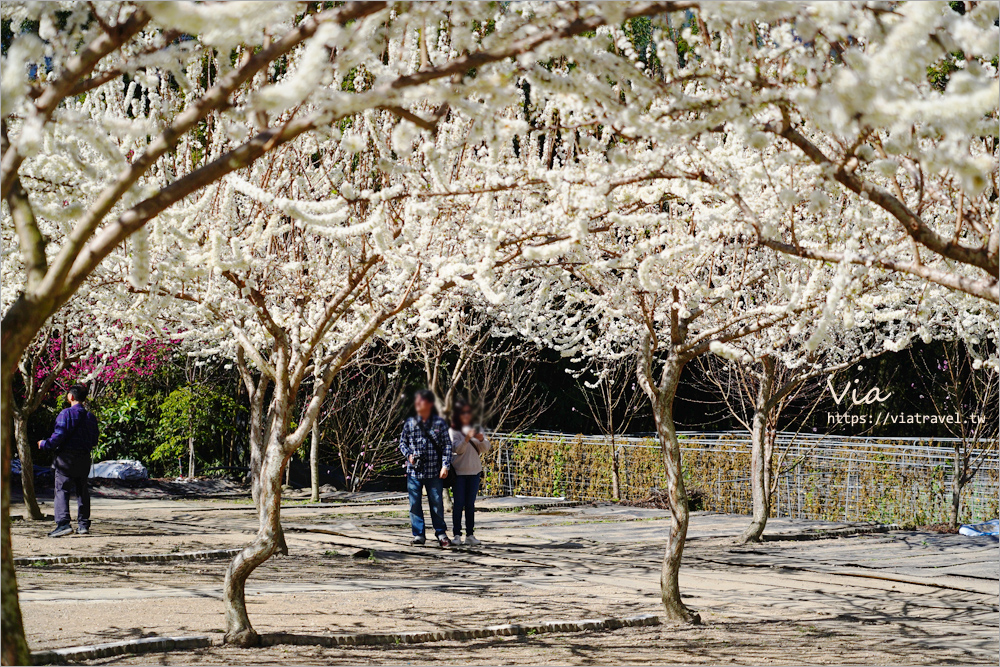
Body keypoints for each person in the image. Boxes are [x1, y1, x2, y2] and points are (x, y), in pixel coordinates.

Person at [38, 384, 98, 537]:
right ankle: (83, 525)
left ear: (71, 396)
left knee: (62, 489)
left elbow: (58, 436)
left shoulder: (65, 414)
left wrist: (44, 444)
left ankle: (63, 523)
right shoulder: (90, 417)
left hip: (66, 458)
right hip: (84, 458)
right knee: (82, 490)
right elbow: (94, 440)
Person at [398, 389, 452, 547]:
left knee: (437, 503)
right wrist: (408, 455)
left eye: (421, 402)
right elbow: (402, 443)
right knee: (414, 504)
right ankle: (418, 535)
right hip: (414, 472)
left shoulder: (439, 423)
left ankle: (441, 533)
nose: (417, 405)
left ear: (429, 404)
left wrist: (445, 466)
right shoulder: (410, 422)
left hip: (434, 471)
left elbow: (447, 445)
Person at [448, 399, 491, 547]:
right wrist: (466, 439)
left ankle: (470, 535)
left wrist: (481, 439)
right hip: (459, 472)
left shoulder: (477, 427)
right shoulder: (454, 430)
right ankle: (456, 535)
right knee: (458, 504)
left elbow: (486, 448)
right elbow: (457, 450)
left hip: (474, 472)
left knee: (470, 505)